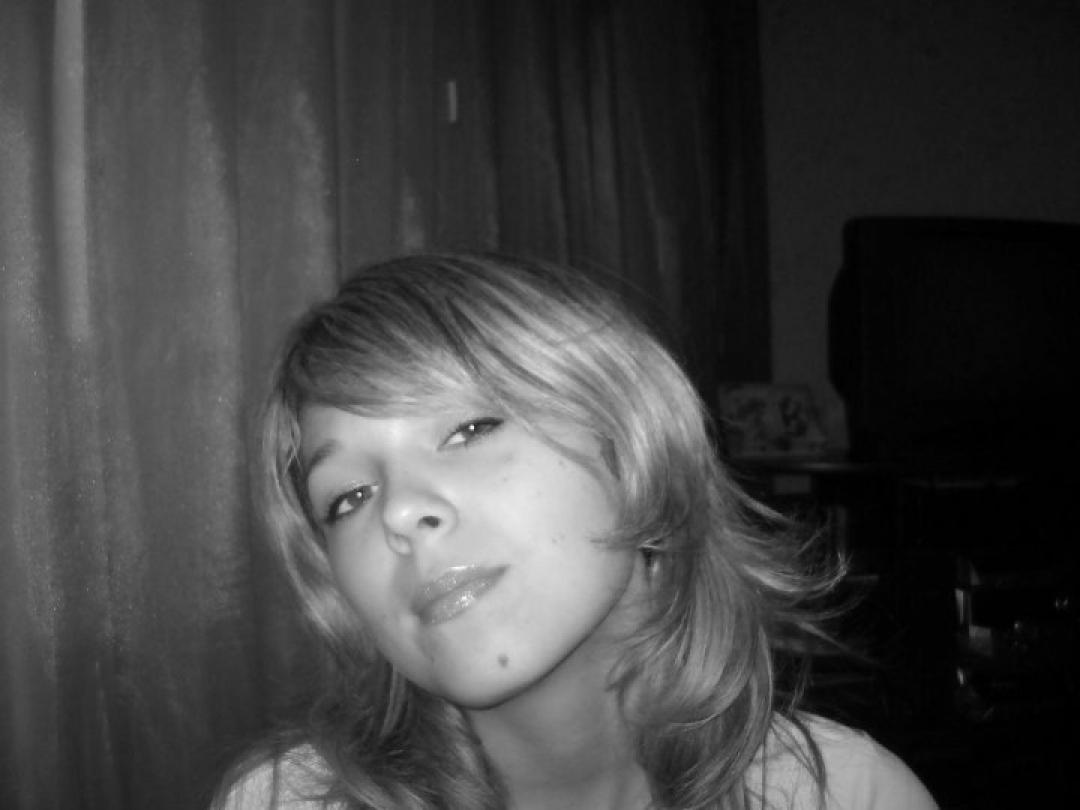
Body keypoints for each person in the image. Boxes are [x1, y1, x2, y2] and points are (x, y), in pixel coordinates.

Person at [213, 254, 938, 809]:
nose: (398, 512)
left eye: (469, 429)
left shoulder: (849, 795)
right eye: (348, 497)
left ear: (635, 448)